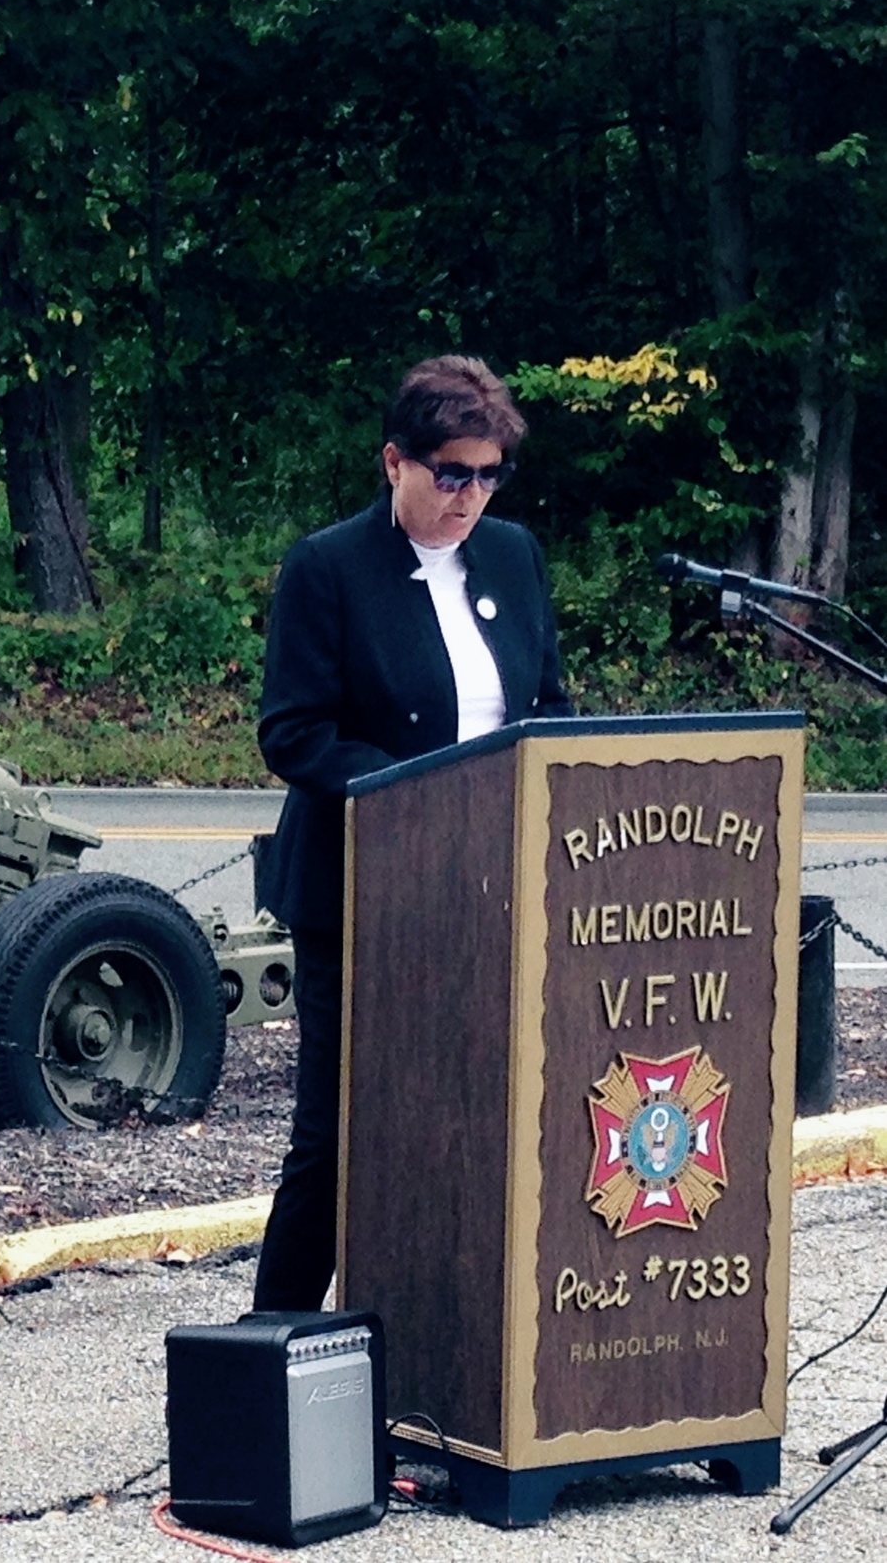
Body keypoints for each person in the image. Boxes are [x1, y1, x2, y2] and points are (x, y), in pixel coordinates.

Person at [251, 354, 572, 1312]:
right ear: (395, 462)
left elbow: (546, 704)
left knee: (474, 1126)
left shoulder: (511, 556)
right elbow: (293, 732)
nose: (468, 497)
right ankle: (274, 1355)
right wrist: (418, 790)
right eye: (450, 474)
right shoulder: (328, 568)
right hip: (363, 897)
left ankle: (450, 1351)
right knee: (341, 1136)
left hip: (490, 893)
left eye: (487, 475)